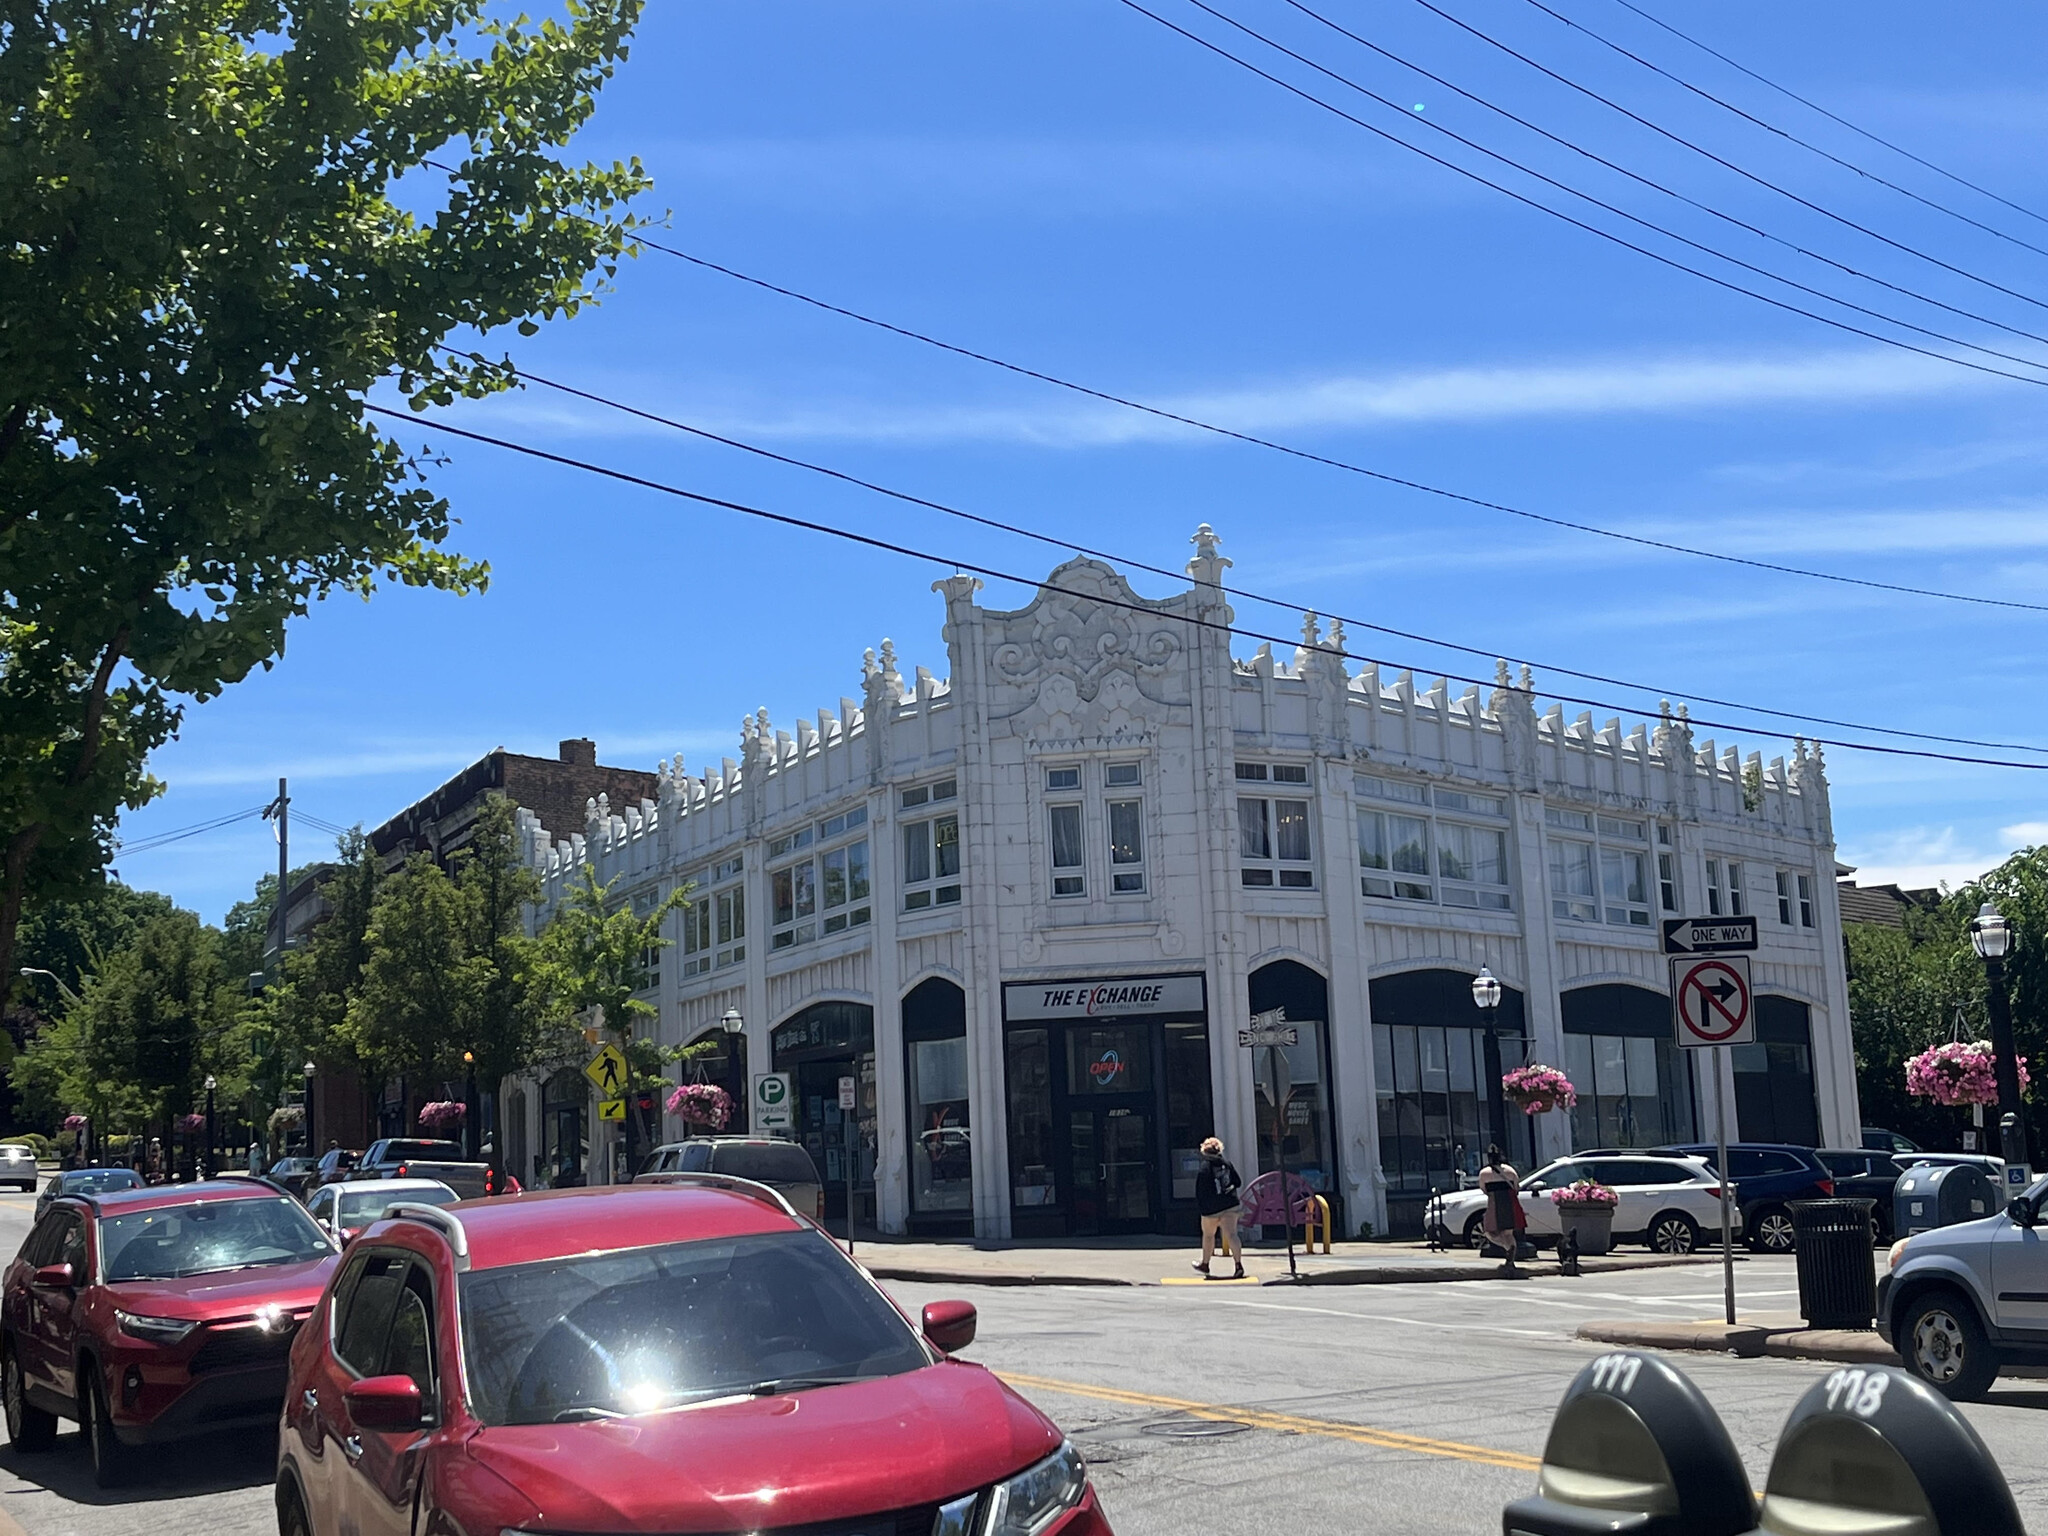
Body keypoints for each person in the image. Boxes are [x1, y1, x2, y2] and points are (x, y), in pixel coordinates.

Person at [1192, 1137, 1246, 1279]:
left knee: (1209, 1235)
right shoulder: (1227, 1164)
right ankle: (1238, 1265)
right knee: (1232, 1235)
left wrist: (1202, 1207)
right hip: (1230, 1204)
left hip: (1211, 1208)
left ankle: (1205, 1263)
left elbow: (1200, 1190)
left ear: (1204, 1151)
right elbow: (1238, 1182)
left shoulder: (1205, 1167)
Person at [1478, 1144, 1525, 1274]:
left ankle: (1509, 1252)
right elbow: (1516, 1187)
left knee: (1488, 1232)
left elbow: (1483, 1189)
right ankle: (1510, 1252)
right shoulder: (1510, 1171)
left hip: (1494, 1204)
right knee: (1508, 1234)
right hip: (1509, 1204)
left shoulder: (1484, 1173)